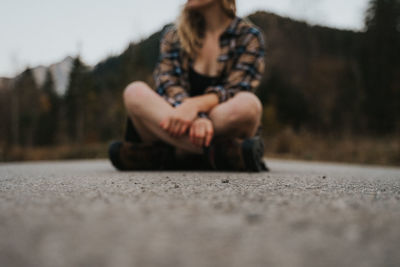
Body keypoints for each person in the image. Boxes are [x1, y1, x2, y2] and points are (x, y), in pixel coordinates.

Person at [109, 0, 269, 172]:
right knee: (134, 92)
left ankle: (171, 154)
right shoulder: (173, 36)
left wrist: (196, 106)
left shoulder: (248, 36)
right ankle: (221, 154)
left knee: (249, 104)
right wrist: (194, 117)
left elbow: (236, 88)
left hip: (219, 121)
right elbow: (168, 85)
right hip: (174, 117)